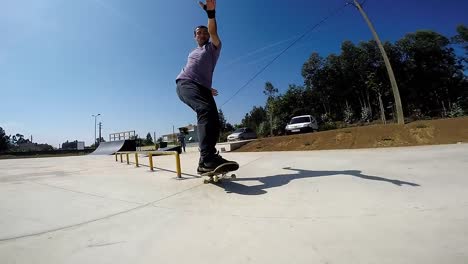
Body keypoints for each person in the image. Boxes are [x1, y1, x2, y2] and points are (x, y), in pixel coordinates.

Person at [176, 0, 238, 174]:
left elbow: (213, 31)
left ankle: (206, 161)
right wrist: (202, 86)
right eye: (199, 33)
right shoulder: (192, 52)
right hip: (185, 83)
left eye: (204, 33)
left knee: (214, 120)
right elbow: (193, 71)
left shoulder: (213, 48)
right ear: (195, 37)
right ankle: (207, 158)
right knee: (204, 109)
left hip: (202, 87)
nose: (202, 35)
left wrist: (211, 14)